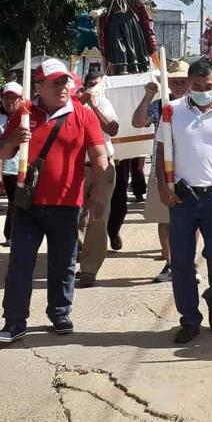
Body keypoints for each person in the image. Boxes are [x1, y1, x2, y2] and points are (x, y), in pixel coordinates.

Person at [0, 59, 108, 343]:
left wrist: (97, 194)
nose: (63, 87)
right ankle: (14, 321)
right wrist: (12, 139)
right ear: (38, 87)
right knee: (20, 264)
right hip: (27, 204)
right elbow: (3, 154)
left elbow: (99, 157)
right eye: (55, 83)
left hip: (67, 204)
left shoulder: (83, 114)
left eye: (65, 82)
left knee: (63, 263)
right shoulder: (23, 113)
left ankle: (60, 313)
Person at [155, 59, 212, 344]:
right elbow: (161, 151)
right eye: (196, 86)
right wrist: (162, 187)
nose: (202, 91)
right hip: (182, 197)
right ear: (188, 84)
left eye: (208, 87)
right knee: (181, 261)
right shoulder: (172, 112)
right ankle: (189, 319)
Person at [131, 59, 191, 282]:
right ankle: (170, 263)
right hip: (162, 169)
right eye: (174, 81)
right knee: (164, 219)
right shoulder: (159, 106)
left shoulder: (195, 105)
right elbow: (138, 122)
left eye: (183, 81)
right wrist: (148, 95)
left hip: (189, 170)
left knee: (190, 221)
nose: (179, 85)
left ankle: (188, 263)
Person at [75, 70, 120, 288]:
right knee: (73, 216)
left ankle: (89, 269)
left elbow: (112, 128)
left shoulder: (102, 101)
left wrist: (93, 105)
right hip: (75, 168)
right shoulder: (67, 107)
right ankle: (76, 255)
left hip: (101, 167)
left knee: (98, 216)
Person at [0, 82, 22, 247]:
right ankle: (11, 234)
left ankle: (12, 233)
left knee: (18, 201)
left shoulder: (27, 117)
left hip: (23, 166)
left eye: (14, 98)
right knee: (15, 200)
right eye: (7, 98)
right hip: (6, 168)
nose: (10, 101)